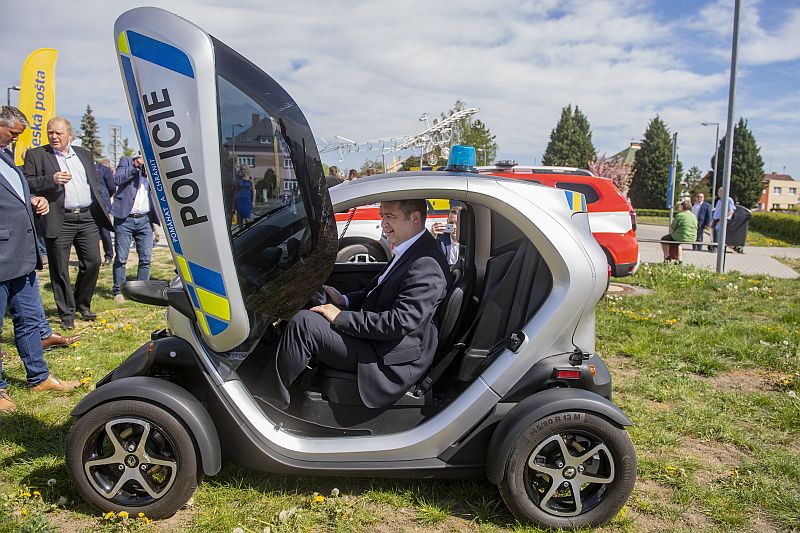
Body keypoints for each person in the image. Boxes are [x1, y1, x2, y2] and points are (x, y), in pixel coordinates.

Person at [266, 199, 452, 409]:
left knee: (304, 325)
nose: (383, 223)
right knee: (309, 315)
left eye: (390, 216)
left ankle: (270, 403)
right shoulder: (410, 250)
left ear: (415, 218)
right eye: (382, 216)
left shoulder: (426, 262)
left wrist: (340, 316)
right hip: (378, 342)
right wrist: (343, 300)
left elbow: (399, 321)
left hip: (388, 357)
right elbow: (373, 292)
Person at [0, 106, 80, 413]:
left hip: (22, 256)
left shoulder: (7, 157)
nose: (16, 139)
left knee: (31, 320)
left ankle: (39, 376)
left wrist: (35, 198)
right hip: (2, 256)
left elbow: (14, 195)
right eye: (13, 133)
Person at [23, 117, 112, 330]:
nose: (53, 136)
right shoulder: (37, 155)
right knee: (60, 269)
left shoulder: (84, 154)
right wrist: (51, 179)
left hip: (87, 217)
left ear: (69, 134)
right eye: (50, 132)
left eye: (58, 133)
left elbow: (94, 183)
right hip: (59, 219)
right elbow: (26, 182)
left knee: (93, 262)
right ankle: (67, 314)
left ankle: (82, 303)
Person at [111, 153, 159, 304]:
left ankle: (142, 291)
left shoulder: (154, 165)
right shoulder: (127, 162)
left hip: (145, 219)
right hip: (125, 219)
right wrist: (136, 165)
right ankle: (118, 291)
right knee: (121, 258)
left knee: (146, 258)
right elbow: (117, 180)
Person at [96, 159, 116, 265]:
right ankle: (94, 259)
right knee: (91, 234)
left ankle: (108, 255)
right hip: (89, 206)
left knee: (105, 232)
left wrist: (106, 198)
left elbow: (112, 188)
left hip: (103, 205)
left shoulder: (104, 170)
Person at [711, 187, 735, 252]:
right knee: (713, 231)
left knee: (717, 229)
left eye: (719, 192)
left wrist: (724, 217)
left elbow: (731, 211)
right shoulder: (719, 201)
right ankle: (713, 244)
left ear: (723, 192)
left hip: (723, 219)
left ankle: (716, 247)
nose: (718, 193)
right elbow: (717, 211)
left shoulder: (728, 200)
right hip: (716, 219)